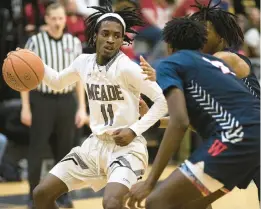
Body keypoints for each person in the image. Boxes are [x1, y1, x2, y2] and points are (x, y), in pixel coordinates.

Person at [29, 2, 168, 209]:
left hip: (126, 148)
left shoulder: (128, 68)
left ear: (123, 39)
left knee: (111, 203)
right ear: (95, 35)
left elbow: (162, 103)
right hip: (94, 146)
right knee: (41, 194)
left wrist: (134, 129)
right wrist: (33, 61)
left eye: (116, 35)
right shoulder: (83, 62)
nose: (111, 39)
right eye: (106, 33)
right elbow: (57, 81)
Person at [126, 17, 260, 209]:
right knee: (193, 204)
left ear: (169, 45)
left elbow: (179, 122)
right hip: (251, 137)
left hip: (237, 136)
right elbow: (197, 119)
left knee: (157, 202)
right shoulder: (211, 64)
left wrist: (150, 182)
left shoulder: (170, 64)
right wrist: (155, 121)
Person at [20, 3, 87, 208]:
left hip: (67, 100)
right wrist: (26, 107)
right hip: (42, 100)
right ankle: (34, 196)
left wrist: (81, 108)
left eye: (61, 18)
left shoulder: (74, 42)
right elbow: (24, 75)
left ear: (65, 19)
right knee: (37, 150)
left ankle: (62, 195)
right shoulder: (35, 41)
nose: (58, 22)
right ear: (47, 19)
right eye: (54, 19)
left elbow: (79, 78)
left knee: (66, 152)